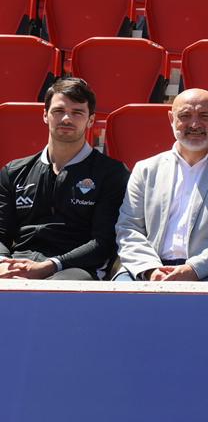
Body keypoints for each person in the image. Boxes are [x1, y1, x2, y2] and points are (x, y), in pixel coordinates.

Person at [114, 88, 208, 283]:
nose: (194, 124)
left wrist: (194, 269)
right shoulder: (146, 169)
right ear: (171, 119)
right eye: (185, 116)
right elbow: (129, 228)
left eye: (204, 116)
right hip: (149, 269)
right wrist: (151, 270)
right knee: (119, 294)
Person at [0, 78, 129, 280]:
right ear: (45, 115)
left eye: (77, 112)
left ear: (91, 120)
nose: (67, 119)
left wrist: (51, 265)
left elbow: (103, 243)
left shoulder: (112, 173)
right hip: (18, 263)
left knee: (62, 287)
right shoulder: (13, 172)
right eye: (58, 111)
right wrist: (3, 263)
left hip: (75, 269)